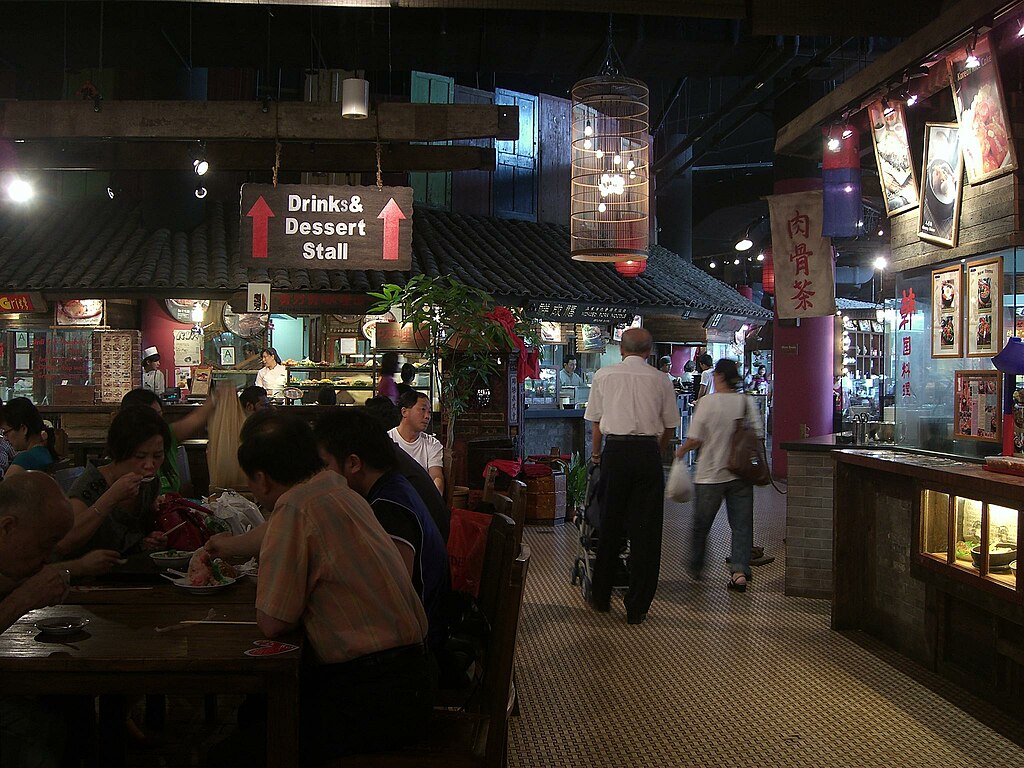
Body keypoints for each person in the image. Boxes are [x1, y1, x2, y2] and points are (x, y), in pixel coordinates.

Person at [238, 411, 433, 760]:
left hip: (373, 696)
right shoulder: (344, 493)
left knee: (243, 747)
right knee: (255, 711)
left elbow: (273, 622)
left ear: (261, 479)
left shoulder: (295, 507)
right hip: (415, 679)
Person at [314, 409, 449, 650]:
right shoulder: (390, 484)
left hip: (419, 647)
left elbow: (390, 595)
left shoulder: (390, 507)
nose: (321, 475)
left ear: (354, 463)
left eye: (325, 465)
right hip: (422, 631)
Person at [584, 327, 678, 625]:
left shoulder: (604, 376)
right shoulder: (661, 379)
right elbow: (671, 428)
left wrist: (597, 455)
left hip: (616, 454)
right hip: (647, 456)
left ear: (622, 349)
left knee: (609, 525)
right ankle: (637, 606)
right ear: (649, 352)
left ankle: (600, 596)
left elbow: (596, 425)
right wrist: (653, 451)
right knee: (646, 532)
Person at [676, 358, 761, 592]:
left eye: (715, 375)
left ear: (721, 377)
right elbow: (758, 436)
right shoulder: (746, 402)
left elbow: (695, 439)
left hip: (710, 474)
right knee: (741, 525)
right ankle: (740, 571)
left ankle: (696, 566)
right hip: (741, 474)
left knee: (702, 523)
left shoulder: (707, 403)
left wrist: (681, 451)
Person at [59, 406, 170, 559]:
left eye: (157, 455)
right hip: (89, 577)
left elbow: (133, 539)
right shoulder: (91, 483)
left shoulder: (149, 483)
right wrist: (111, 497)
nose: (150, 465)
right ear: (118, 452)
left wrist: (148, 541)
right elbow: (65, 543)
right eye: (140, 456)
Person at [121, 387, 213, 494]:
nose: (158, 422)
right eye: (140, 456)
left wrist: (218, 396)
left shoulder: (166, 435)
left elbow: (197, 417)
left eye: (159, 415)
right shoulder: (121, 453)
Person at [388, 390, 444, 495]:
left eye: (429, 412)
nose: (427, 416)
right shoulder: (387, 440)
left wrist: (434, 497)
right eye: (423, 410)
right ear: (404, 412)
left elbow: (436, 477)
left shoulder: (433, 444)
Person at [0, 397, 60, 474]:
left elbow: (5, 485)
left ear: (24, 429)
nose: (5, 438)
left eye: (5, 432)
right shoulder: (45, 452)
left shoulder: (25, 460)